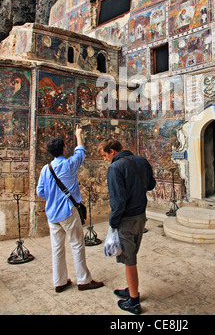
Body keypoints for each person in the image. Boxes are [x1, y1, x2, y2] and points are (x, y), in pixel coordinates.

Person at [37, 124, 104, 293]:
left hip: (52, 214)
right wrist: (78, 134)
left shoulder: (46, 169)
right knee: (76, 244)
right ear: (64, 149)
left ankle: (59, 282)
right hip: (67, 212)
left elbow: (40, 192)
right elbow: (80, 152)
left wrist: (53, 195)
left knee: (57, 247)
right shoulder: (69, 165)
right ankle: (83, 280)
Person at [99, 139, 156, 314]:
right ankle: (131, 289)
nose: (104, 159)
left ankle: (133, 301)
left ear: (112, 152)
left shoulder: (115, 168)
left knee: (129, 260)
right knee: (130, 255)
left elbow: (118, 200)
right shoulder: (141, 160)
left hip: (126, 219)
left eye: (104, 155)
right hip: (141, 216)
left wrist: (113, 223)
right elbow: (151, 184)